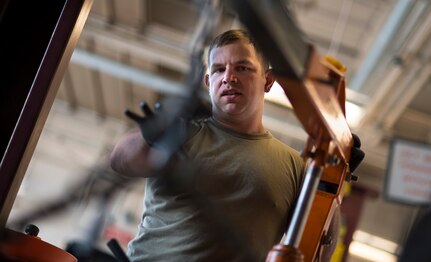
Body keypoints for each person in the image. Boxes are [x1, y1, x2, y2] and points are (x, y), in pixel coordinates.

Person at [110, 29, 339, 262]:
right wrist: (148, 137)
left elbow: (321, 243)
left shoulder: (296, 166)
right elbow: (120, 161)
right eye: (219, 70)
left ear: (267, 80)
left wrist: (335, 176)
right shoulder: (182, 133)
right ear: (209, 82)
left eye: (243, 67)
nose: (229, 77)